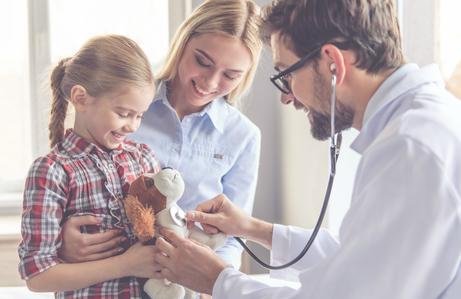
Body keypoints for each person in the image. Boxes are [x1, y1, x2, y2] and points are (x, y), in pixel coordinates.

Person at [149, 0, 461, 298]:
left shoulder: (410, 148)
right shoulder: (422, 124)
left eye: (287, 75)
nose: (288, 98)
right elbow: (356, 259)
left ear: (333, 64)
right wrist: (254, 228)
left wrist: (218, 281)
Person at [58, 0, 262, 298]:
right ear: (183, 43)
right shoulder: (124, 103)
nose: (210, 81)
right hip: (108, 281)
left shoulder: (243, 136)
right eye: (202, 61)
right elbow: (66, 181)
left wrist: (209, 287)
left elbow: (233, 237)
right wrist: (61, 240)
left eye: (230, 75)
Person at [18, 35, 160, 298]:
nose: (133, 126)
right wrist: (124, 265)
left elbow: (161, 231)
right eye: (123, 113)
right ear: (81, 99)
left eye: (139, 115)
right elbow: (38, 275)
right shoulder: (51, 171)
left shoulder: (144, 158)